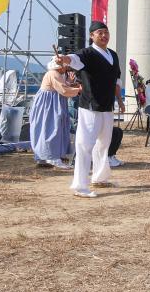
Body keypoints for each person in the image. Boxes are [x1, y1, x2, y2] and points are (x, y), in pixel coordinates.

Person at [50, 20, 124, 198]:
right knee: (85, 145)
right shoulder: (87, 53)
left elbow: (116, 80)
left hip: (107, 105)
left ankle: (100, 177)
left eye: (106, 32)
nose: (104, 35)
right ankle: (80, 186)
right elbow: (73, 60)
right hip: (90, 105)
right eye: (100, 33)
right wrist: (63, 59)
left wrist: (119, 100)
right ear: (92, 36)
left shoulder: (113, 55)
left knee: (104, 144)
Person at [31, 63, 81, 169]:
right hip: (50, 105)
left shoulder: (56, 74)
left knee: (48, 129)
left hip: (52, 103)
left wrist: (70, 83)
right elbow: (63, 89)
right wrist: (79, 90)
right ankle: (52, 157)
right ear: (59, 66)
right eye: (65, 66)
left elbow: (63, 86)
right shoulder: (54, 74)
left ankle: (46, 157)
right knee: (52, 128)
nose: (67, 68)